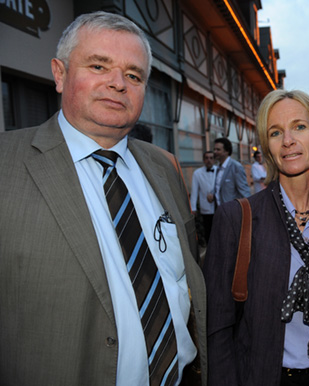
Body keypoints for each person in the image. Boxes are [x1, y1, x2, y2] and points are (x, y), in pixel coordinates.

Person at [0, 11, 207, 386]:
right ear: (60, 74)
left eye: (133, 75)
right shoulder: (6, 166)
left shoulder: (164, 168)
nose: (118, 84)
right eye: (99, 65)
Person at [204, 90, 309, 385]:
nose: (288, 140)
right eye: (276, 132)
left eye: (299, 127)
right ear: (267, 145)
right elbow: (218, 326)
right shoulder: (236, 218)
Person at [208, 137, 250, 207]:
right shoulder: (218, 166)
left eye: (218, 149)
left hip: (233, 211)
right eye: (214, 149)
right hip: (220, 210)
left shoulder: (236, 167)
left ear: (226, 151)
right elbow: (219, 187)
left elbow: (244, 192)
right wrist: (212, 194)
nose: (215, 152)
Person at [191, 151, 217, 245]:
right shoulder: (197, 173)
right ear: (203, 160)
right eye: (206, 158)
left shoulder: (219, 171)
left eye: (211, 158)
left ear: (214, 160)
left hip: (218, 205)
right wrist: (193, 208)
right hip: (205, 207)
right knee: (208, 229)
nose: (208, 160)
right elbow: (194, 192)